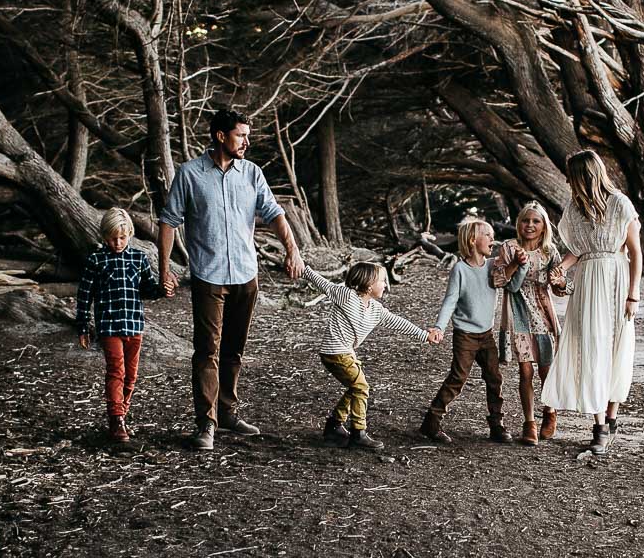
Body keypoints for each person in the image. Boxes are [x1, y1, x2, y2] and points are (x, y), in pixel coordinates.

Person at [157, 106, 305, 451]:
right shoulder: (190, 174)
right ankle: (205, 423)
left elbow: (275, 214)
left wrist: (293, 250)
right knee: (207, 350)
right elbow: (168, 220)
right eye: (241, 135)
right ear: (220, 136)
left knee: (234, 350)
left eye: (248, 136)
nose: (246, 142)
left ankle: (227, 413)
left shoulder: (252, 173)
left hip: (245, 275)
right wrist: (165, 269)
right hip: (209, 277)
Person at [541, 151, 642, 453]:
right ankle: (598, 425)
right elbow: (579, 251)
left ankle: (611, 419)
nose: (568, 180)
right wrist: (561, 268)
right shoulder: (575, 209)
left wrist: (633, 294)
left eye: (571, 175)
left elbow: (635, 253)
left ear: (585, 175)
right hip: (588, 285)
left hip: (615, 280)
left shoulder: (621, 205)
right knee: (591, 347)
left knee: (616, 349)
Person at [304, 261, 442, 452]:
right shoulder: (346, 296)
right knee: (361, 387)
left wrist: (424, 335)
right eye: (382, 280)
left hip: (345, 353)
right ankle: (358, 433)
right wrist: (302, 267)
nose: (386, 284)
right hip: (335, 352)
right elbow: (323, 283)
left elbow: (398, 322)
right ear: (369, 285)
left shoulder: (376, 310)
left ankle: (334, 426)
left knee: (355, 387)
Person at [421, 217, 525, 445]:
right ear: (472, 240)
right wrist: (439, 327)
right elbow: (450, 301)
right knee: (458, 377)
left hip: (486, 335)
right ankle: (432, 421)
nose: (492, 238)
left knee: (494, 378)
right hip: (465, 335)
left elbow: (508, 281)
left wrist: (518, 263)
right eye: (487, 235)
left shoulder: (493, 266)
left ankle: (496, 425)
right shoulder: (460, 269)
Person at [76, 208, 163, 446]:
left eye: (122, 237)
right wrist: (83, 325)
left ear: (130, 235)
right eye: (113, 237)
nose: (117, 242)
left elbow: (147, 289)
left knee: (131, 375)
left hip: (134, 325)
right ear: (104, 236)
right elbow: (85, 295)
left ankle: (122, 415)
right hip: (109, 326)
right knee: (116, 371)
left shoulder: (138, 258)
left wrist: (163, 289)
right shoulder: (97, 260)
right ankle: (116, 420)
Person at [491, 201, 564, 447]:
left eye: (536, 221)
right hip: (519, 313)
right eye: (525, 220)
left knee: (545, 369)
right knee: (525, 371)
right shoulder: (509, 247)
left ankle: (550, 411)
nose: (530, 225)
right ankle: (529, 423)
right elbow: (498, 280)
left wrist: (562, 283)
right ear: (518, 223)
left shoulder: (549, 251)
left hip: (543, 314)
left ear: (544, 227)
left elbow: (560, 286)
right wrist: (515, 264)